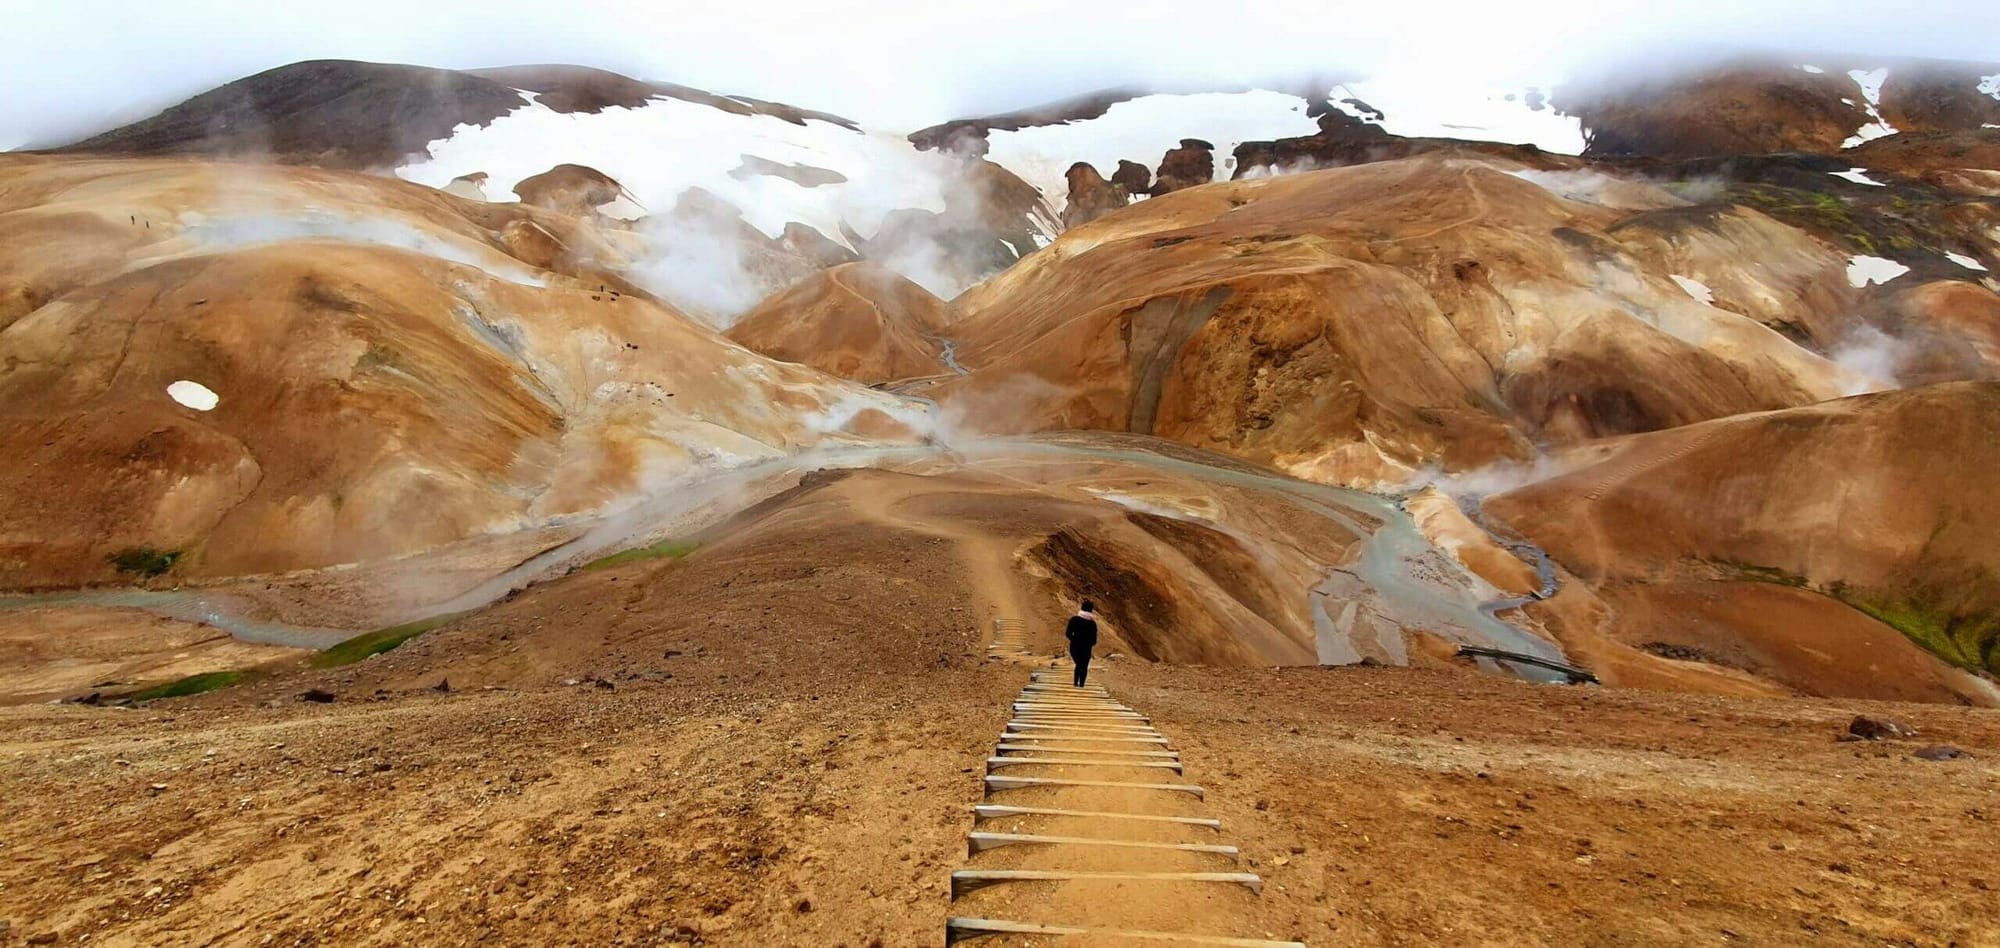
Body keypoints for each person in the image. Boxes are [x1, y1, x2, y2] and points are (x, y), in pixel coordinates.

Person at [1063, 600, 1100, 687]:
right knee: (1084, 666)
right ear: (1091, 610)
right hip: (1086, 648)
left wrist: (1074, 640)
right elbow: (1094, 640)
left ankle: (1075, 683)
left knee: (1078, 664)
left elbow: (1068, 633)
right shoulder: (1092, 624)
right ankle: (1081, 685)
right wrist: (1088, 643)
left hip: (1074, 647)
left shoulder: (1074, 619)